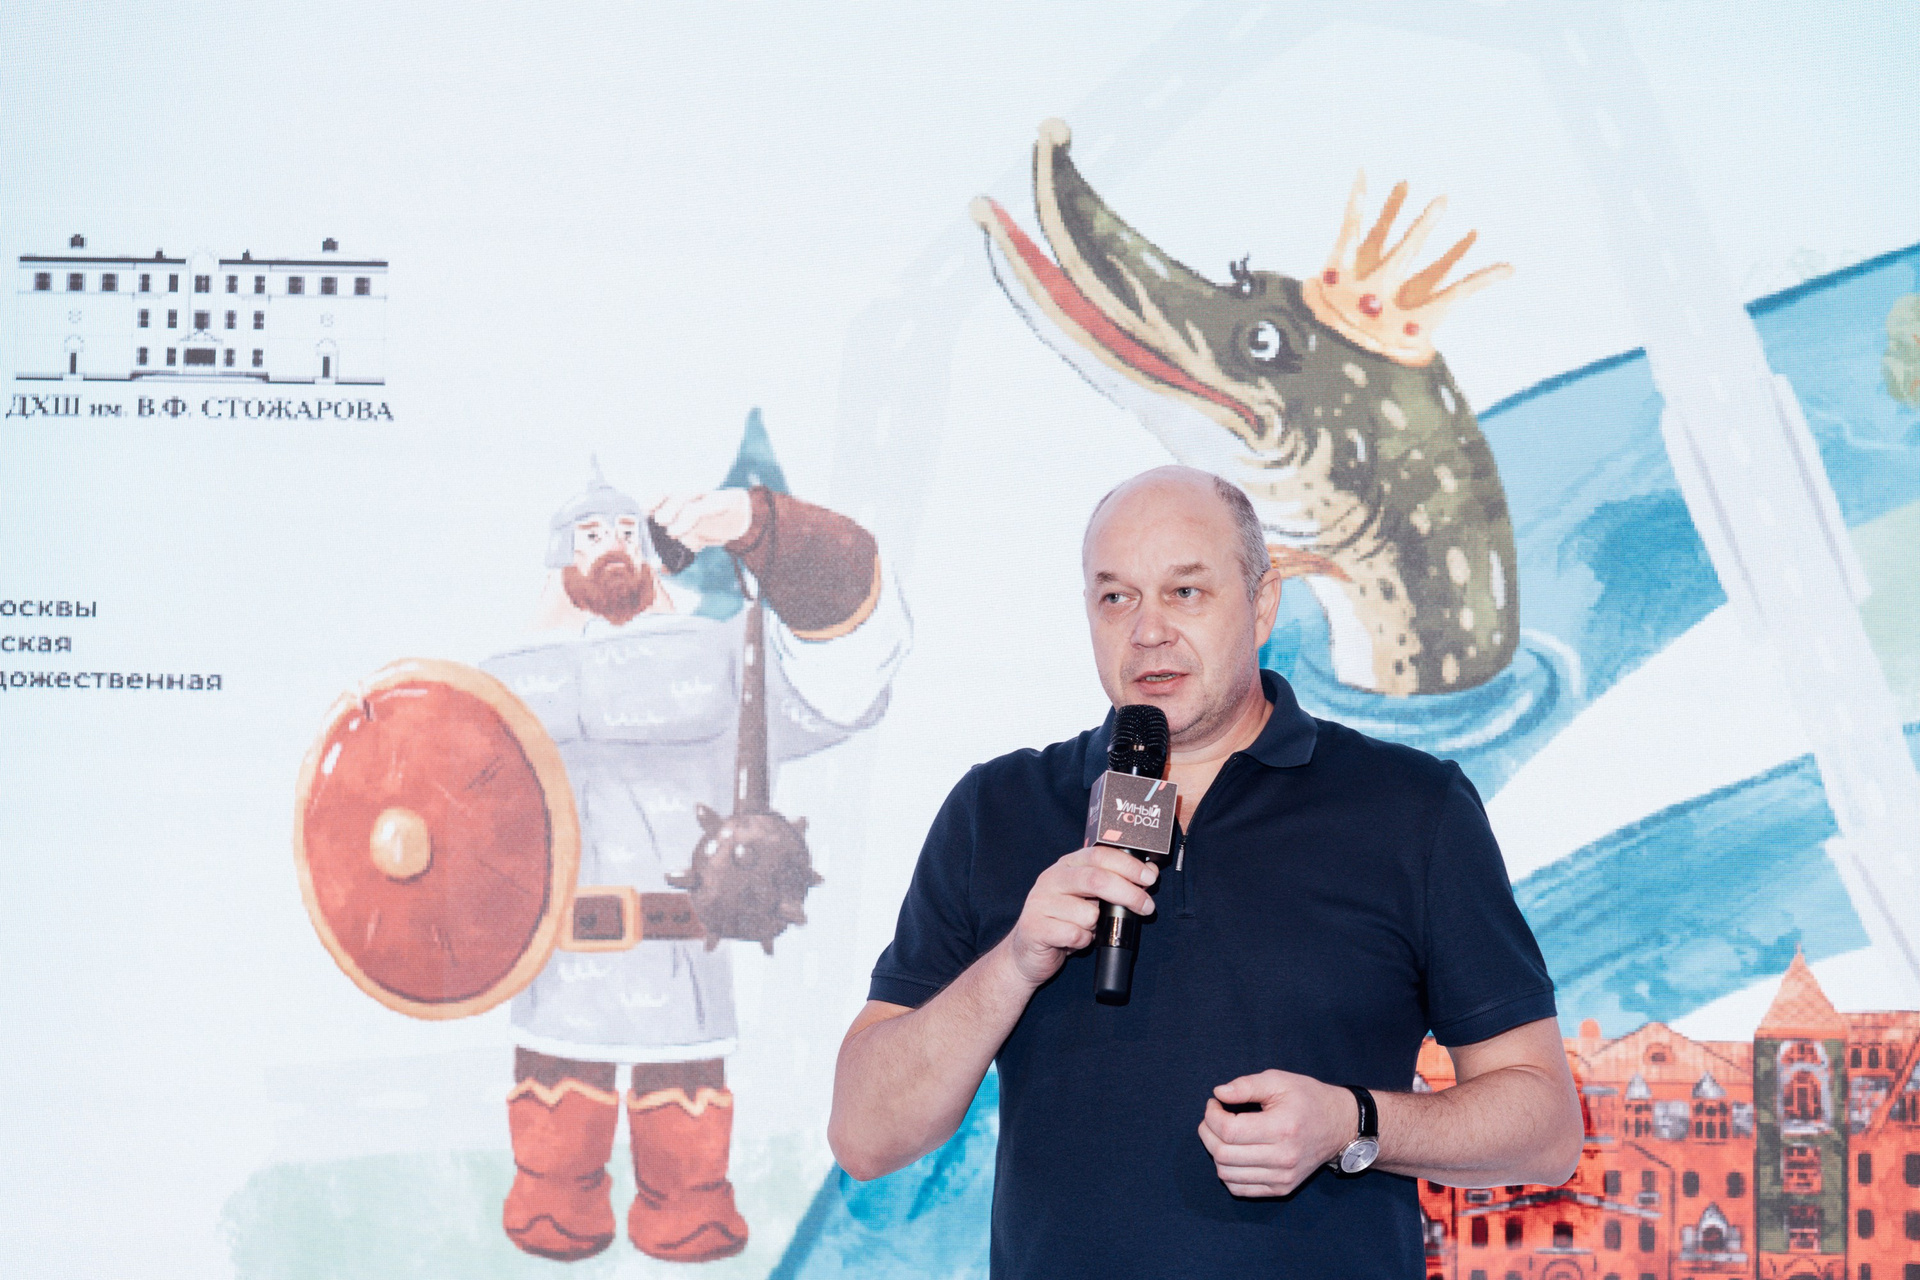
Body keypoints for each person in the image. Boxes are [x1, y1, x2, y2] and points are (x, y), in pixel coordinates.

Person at [828, 465, 1582, 1277]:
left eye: (1185, 592)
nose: (1147, 631)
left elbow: (1544, 1129)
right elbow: (865, 1136)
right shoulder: (997, 810)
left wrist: (1354, 1123)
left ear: (1262, 604)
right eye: (1116, 597)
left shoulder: (1410, 807)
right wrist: (1013, 963)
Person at [484, 467, 910, 1263]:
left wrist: (761, 526)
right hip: (556, 965)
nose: (610, 548)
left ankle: (686, 1207)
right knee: (552, 1163)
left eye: (624, 532)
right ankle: (554, 1196)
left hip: (683, 955)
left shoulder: (723, 660)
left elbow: (848, 670)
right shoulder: (499, 684)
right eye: (589, 536)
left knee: (686, 1159)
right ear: (558, 556)